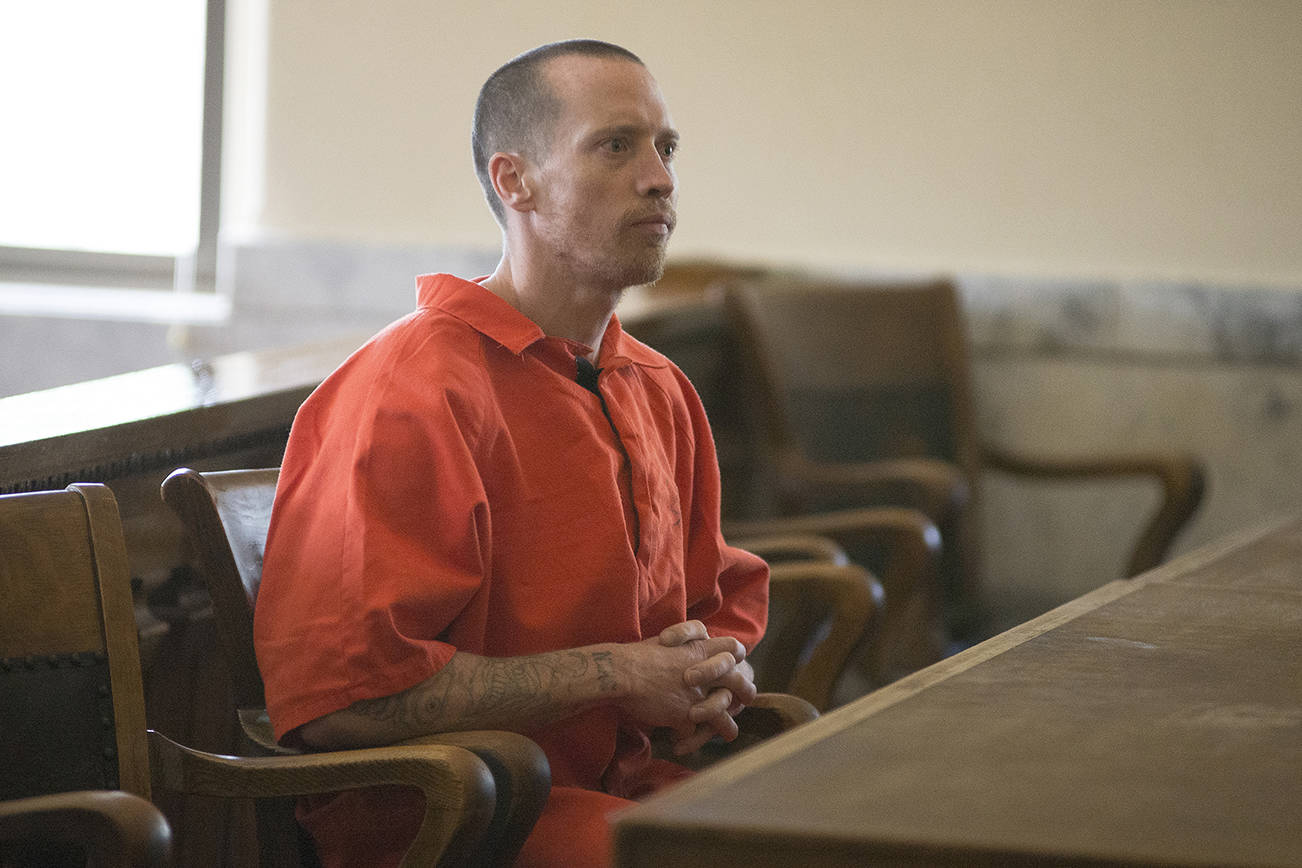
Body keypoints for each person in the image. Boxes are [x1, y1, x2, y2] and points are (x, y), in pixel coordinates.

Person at [253, 39, 769, 867]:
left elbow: (707, 605)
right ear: (514, 180)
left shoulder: (658, 385)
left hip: (629, 787)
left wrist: (713, 668)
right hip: (464, 814)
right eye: (616, 145)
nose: (661, 178)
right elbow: (344, 702)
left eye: (665, 148)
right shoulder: (412, 388)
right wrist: (616, 675)